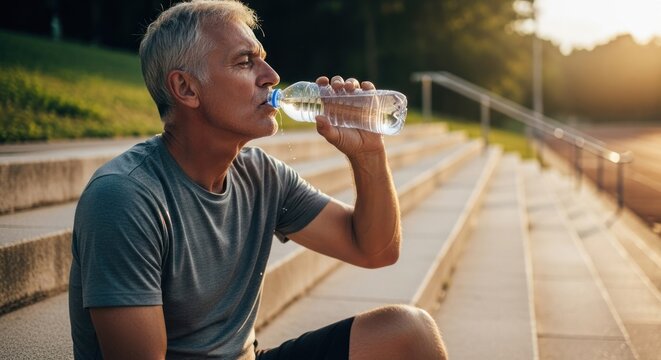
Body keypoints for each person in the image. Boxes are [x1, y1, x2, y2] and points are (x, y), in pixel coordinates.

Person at [68, 1, 448, 359]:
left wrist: (368, 155)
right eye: (245, 62)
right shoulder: (124, 197)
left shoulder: (260, 175)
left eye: (262, 60)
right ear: (186, 88)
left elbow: (376, 250)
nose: (272, 77)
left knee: (409, 331)